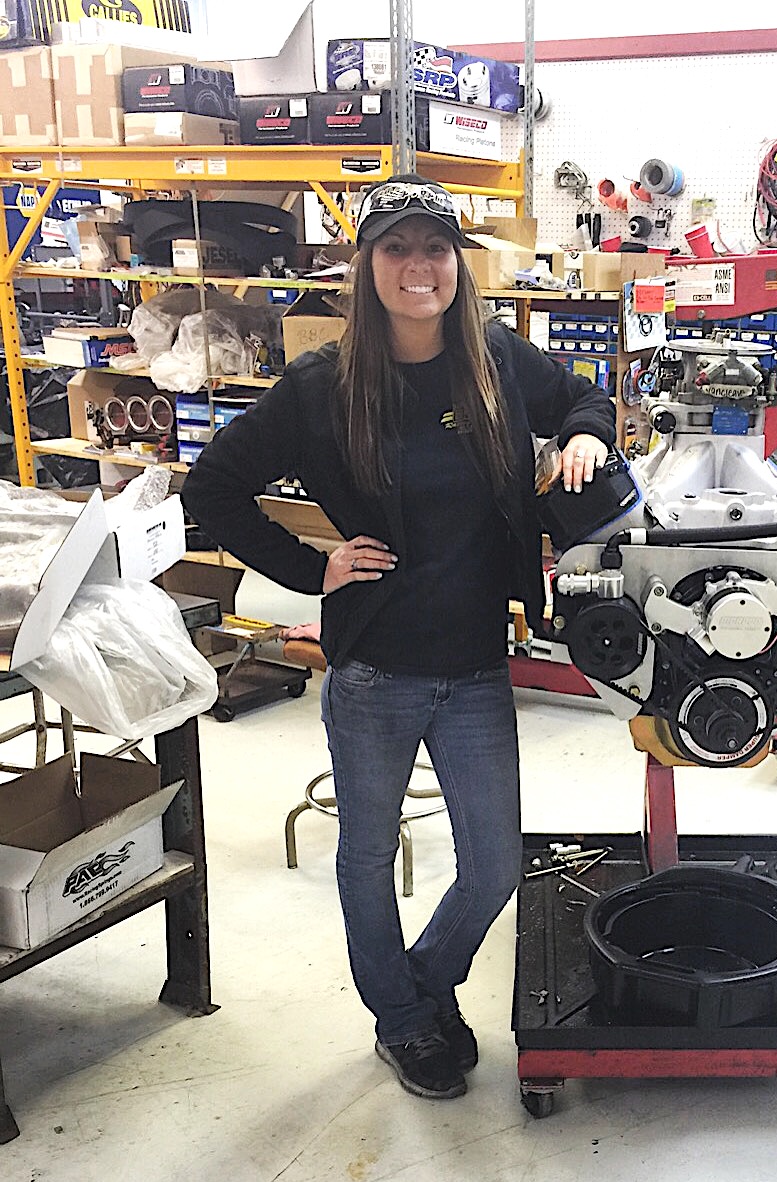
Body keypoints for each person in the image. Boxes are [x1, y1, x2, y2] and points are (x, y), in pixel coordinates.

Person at [182, 174, 615, 1101]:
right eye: (396, 249)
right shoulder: (321, 387)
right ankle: (404, 1022)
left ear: (457, 262)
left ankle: (423, 986)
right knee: (367, 853)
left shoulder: (493, 357)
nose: (419, 267)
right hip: (375, 668)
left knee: (496, 861)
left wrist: (584, 438)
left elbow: (586, 398)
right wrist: (312, 569)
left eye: (435, 248)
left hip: (473, 666)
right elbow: (211, 487)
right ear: (367, 266)